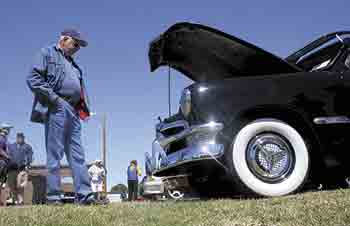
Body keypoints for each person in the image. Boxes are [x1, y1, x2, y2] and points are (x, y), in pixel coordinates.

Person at [27, 28, 97, 205]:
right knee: (55, 154)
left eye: (80, 46)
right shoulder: (47, 53)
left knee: (78, 155)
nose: (77, 48)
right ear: (64, 39)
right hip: (57, 106)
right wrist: (55, 99)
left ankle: (85, 196)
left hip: (74, 110)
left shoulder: (74, 64)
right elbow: (33, 78)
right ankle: (54, 198)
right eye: (76, 44)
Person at [7, 133, 33, 205]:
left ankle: (21, 200)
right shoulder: (11, 146)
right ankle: (15, 200)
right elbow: (8, 155)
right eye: (18, 137)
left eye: (21, 137)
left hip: (22, 168)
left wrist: (28, 165)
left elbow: (30, 156)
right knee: (12, 184)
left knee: (21, 185)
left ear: (23, 138)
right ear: (16, 138)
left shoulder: (28, 147)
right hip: (11, 168)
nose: (20, 139)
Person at [0, 123, 13, 206]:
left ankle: (3, 201)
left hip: (4, 163)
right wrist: (8, 157)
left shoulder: (5, 139)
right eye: (8, 129)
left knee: (2, 183)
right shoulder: (1, 138)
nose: (9, 131)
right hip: (1, 162)